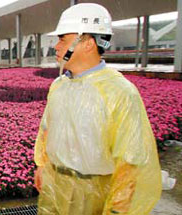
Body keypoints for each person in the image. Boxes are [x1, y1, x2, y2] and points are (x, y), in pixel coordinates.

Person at [33, 3, 161, 215]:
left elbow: (130, 158)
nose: (56, 46)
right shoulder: (59, 86)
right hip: (54, 185)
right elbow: (46, 130)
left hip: (92, 192)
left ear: (87, 43)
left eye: (62, 38)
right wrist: (42, 166)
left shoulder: (119, 92)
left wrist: (117, 209)